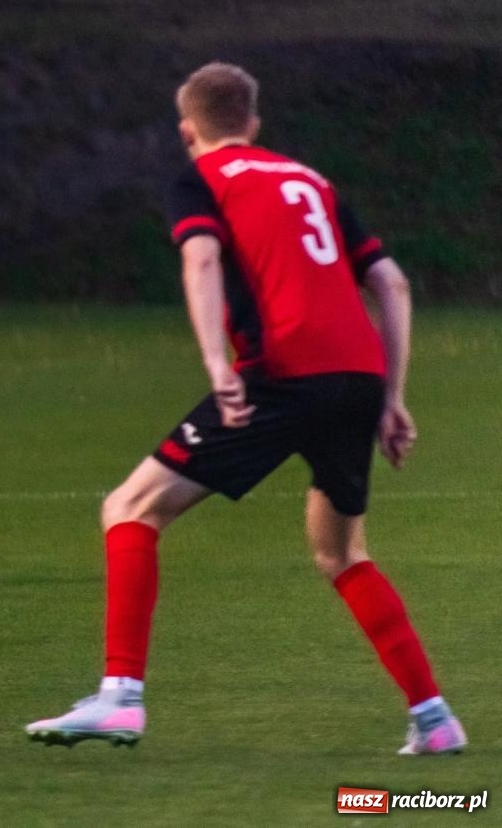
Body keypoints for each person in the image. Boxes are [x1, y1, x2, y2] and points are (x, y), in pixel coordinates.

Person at [25, 62, 465, 755]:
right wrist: (393, 395)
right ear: (254, 124)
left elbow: (200, 261)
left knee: (131, 507)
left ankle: (121, 696)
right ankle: (434, 717)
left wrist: (215, 364)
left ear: (187, 131)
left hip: (281, 375)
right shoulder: (313, 182)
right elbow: (392, 282)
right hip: (355, 380)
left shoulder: (201, 179)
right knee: (342, 550)